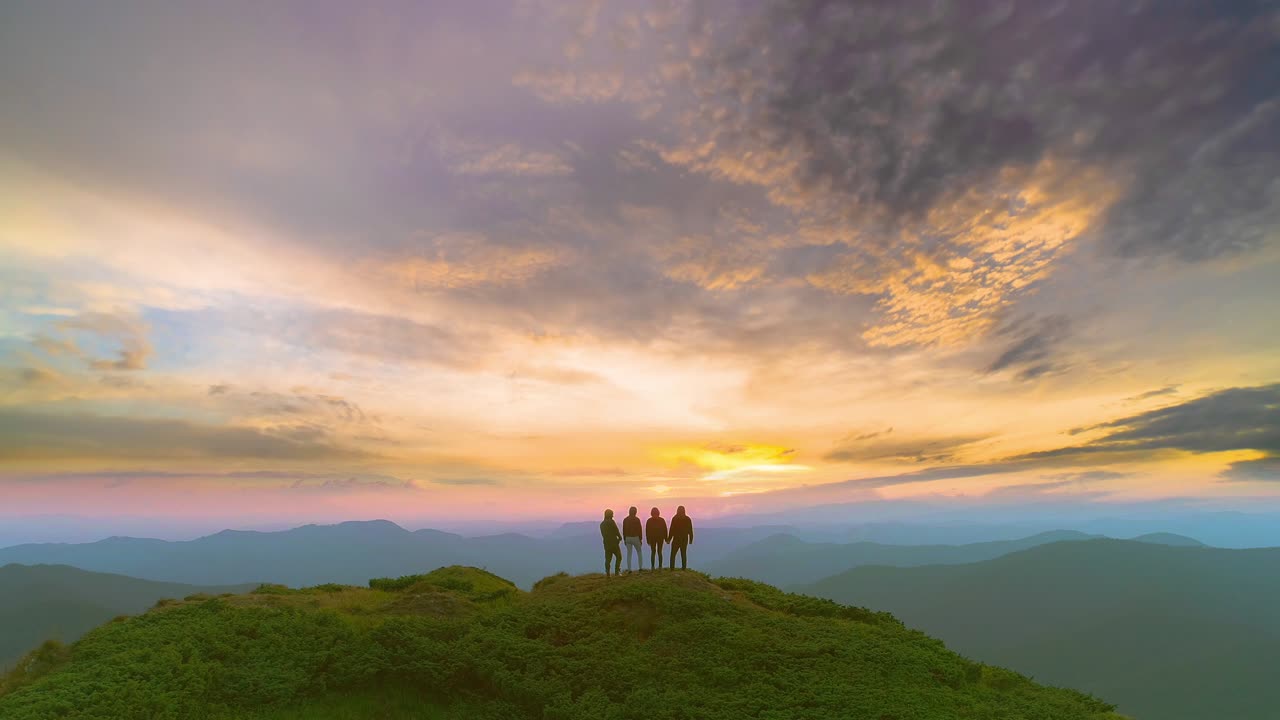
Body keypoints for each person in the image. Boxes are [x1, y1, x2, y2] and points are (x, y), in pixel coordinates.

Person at [667, 505, 693, 570]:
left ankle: (672, 568)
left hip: (676, 539)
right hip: (684, 539)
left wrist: (669, 539)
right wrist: (691, 539)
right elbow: (690, 530)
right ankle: (684, 568)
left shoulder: (675, 518)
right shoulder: (687, 519)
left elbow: (671, 530)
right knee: (683, 553)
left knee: (673, 554)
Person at [600, 508, 622, 577]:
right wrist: (620, 537)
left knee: (608, 559)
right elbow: (616, 530)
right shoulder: (612, 522)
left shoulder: (602, 524)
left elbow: (603, 535)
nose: (613, 516)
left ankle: (608, 574)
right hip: (614, 543)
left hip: (606, 544)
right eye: (612, 515)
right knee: (619, 557)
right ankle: (616, 572)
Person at [622, 506, 644, 573]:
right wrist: (640, 539)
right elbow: (640, 530)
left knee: (629, 554)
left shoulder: (625, 520)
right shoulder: (637, 519)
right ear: (635, 512)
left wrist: (624, 539)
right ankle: (640, 568)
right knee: (639, 553)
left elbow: (624, 530)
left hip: (628, 538)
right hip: (635, 537)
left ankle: (629, 569)